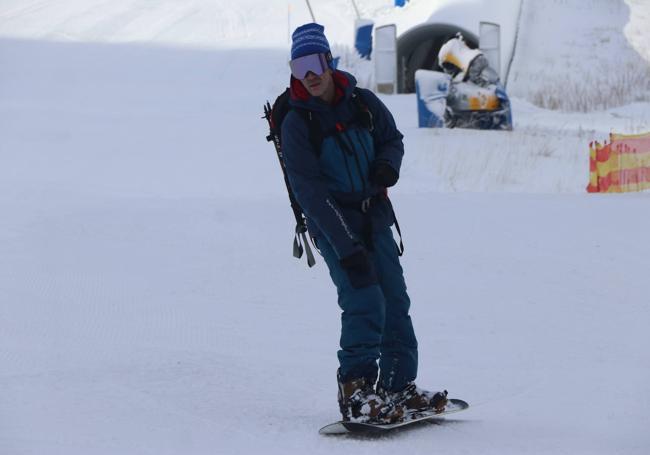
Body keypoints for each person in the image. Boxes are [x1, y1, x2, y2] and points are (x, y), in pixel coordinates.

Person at [281, 23, 448, 423]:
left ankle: (398, 387)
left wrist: (387, 166)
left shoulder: (363, 102)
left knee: (394, 299)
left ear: (328, 61)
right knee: (363, 300)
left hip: (374, 215)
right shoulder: (296, 123)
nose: (309, 74)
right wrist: (346, 245)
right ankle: (357, 394)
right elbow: (309, 191)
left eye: (314, 62)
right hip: (333, 220)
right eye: (299, 65)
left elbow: (393, 139)